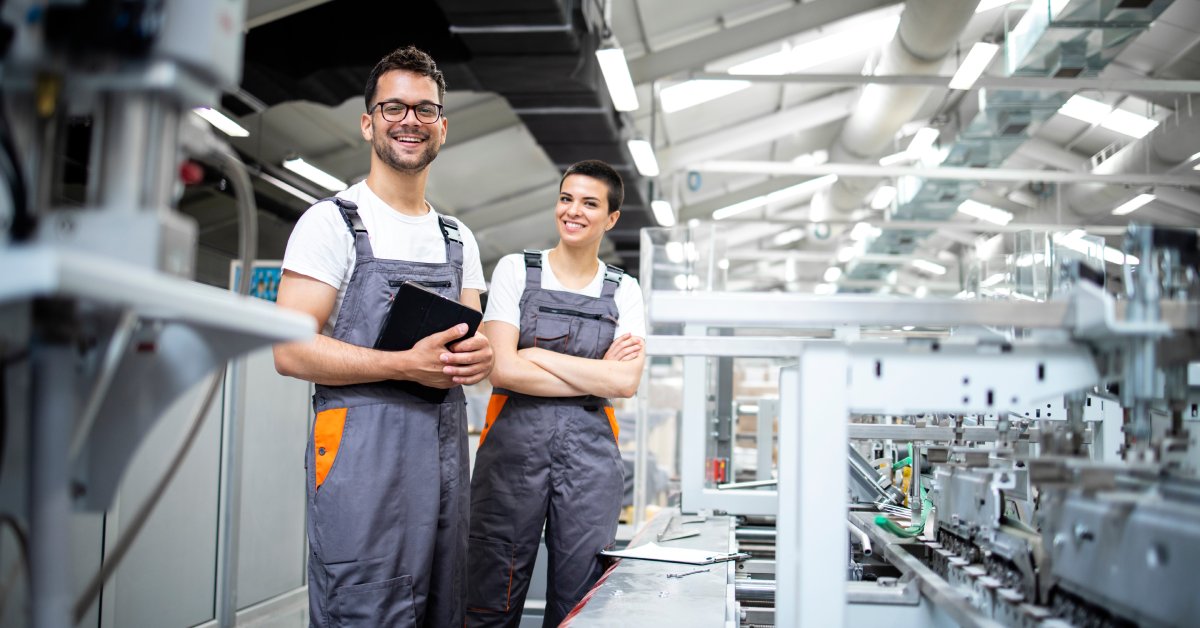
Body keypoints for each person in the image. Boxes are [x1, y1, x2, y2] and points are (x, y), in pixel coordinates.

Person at [272, 46, 493, 628]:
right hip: (360, 456)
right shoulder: (331, 223)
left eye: (424, 109)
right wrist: (401, 364)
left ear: (442, 125)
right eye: (393, 108)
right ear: (368, 121)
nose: (409, 121)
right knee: (366, 607)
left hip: (443, 459)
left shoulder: (458, 238)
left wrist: (480, 355)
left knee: (442, 607)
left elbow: (466, 343)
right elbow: (290, 349)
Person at [465, 160, 646, 627]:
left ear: (611, 219)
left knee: (580, 600)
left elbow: (624, 382)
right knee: (490, 591)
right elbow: (501, 369)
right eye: (566, 198)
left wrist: (536, 355)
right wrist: (592, 373)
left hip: (589, 463)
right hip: (510, 456)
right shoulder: (516, 270)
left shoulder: (625, 290)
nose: (573, 211)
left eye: (590, 203)